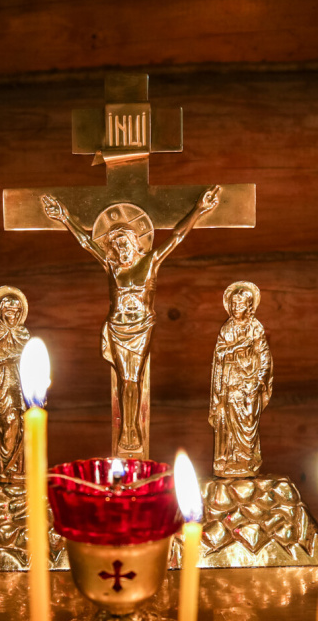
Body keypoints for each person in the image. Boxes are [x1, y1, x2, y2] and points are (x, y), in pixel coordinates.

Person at [41, 187, 221, 454]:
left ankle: (131, 427)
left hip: (140, 328)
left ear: (135, 242)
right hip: (117, 328)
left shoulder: (151, 262)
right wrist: (64, 217)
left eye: (124, 243)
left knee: (132, 379)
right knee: (125, 378)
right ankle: (128, 427)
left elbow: (177, 237)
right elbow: (86, 243)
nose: (120, 249)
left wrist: (199, 209)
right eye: (115, 246)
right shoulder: (112, 268)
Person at [210, 281, 273, 477]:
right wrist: (236, 348)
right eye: (233, 304)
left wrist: (259, 379)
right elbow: (219, 354)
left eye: (241, 304)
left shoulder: (256, 328)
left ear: (249, 306)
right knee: (227, 422)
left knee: (248, 422)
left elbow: (264, 355)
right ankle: (228, 460)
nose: (236, 308)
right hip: (230, 383)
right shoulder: (227, 328)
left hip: (249, 384)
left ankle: (247, 461)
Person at [0, 286, 30, 481]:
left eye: (16, 311)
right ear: (1, 312)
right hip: (4, 389)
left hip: (22, 388)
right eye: (9, 311)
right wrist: (11, 357)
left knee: (26, 425)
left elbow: (32, 361)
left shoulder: (23, 333)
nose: (13, 316)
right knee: (9, 424)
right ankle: (7, 470)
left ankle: (20, 471)